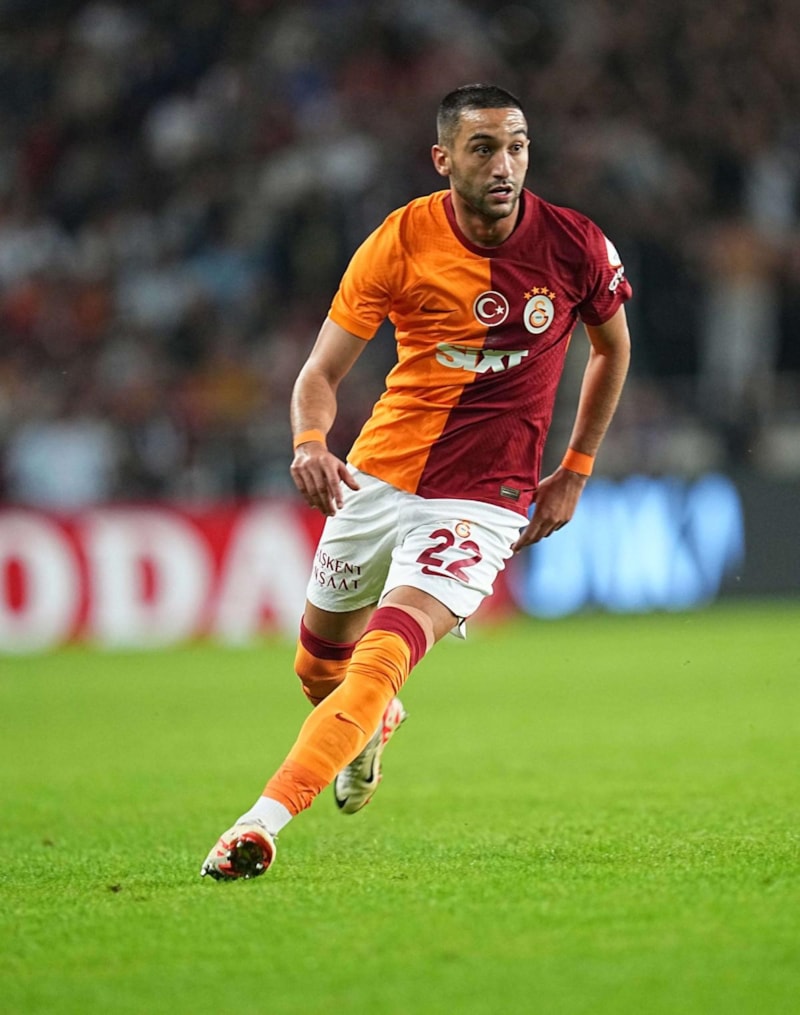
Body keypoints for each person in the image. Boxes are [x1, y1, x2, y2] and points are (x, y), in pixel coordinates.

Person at [201, 83, 632, 881]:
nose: (504, 165)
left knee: (381, 656)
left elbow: (612, 347)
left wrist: (575, 468)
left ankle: (260, 822)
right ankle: (372, 729)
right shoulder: (399, 241)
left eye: (517, 146)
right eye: (483, 148)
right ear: (443, 159)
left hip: (483, 499)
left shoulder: (575, 244)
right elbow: (319, 373)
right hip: (378, 476)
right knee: (318, 669)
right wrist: (309, 441)